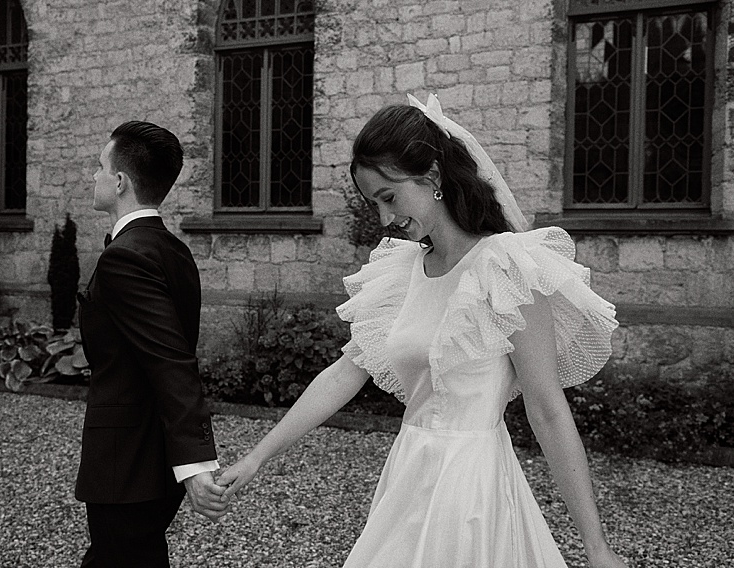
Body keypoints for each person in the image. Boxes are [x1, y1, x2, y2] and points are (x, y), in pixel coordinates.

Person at [217, 95, 629, 567]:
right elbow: (342, 375)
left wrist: (597, 548)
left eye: (388, 197)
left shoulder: (508, 270)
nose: (384, 219)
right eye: (374, 203)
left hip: (473, 491)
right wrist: (255, 459)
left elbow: (548, 409)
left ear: (432, 176)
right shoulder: (401, 274)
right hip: (406, 477)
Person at [76, 120, 228, 567]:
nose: (94, 176)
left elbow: (170, 362)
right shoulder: (171, 248)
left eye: (99, 167)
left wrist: (198, 465)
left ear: (120, 181)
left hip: (128, 464)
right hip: (149, 462)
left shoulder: (126, 256)